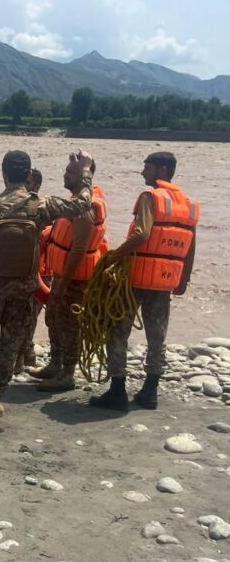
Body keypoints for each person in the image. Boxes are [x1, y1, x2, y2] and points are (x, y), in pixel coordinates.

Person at [0, 149, 95, 425]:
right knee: (10, 348)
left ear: (3, 173)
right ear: (28, 174)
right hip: (24, 290)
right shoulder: (41, 206)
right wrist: (85, 174)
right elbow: (82, 205)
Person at [89, 152, 198, 411]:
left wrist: (115, 256)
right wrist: (184, 277)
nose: (142, 173)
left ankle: (117, 391)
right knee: (157, 337)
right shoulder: (189, 204)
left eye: (146, 167)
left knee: (117, 330)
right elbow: (191, 245)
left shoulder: (151, 197)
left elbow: (142, 234)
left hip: (136, 278)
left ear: (162, 169)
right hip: (164, 281)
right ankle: (150, 392)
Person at [31, 161, 109, 391]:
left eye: (70, 172)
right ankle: (55, 365)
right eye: (65, 170)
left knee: (69, 325)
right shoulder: (72, 203)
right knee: (53, 318)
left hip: (75, 280)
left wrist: (63, 284)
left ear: (85, 175)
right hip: (61, 275)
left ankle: (67, 374)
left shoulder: (87, 207)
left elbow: (78, 250)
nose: (65, 174)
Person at [15, 168, 46, 372]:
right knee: (19, 316)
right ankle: (26, 355)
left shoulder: (42, 209)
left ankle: (22, 358)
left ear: (36, 186)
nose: (23, 186)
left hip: (39, 272)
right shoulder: (13, 205)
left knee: (28, 317)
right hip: (19, 270)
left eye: (27, 183)